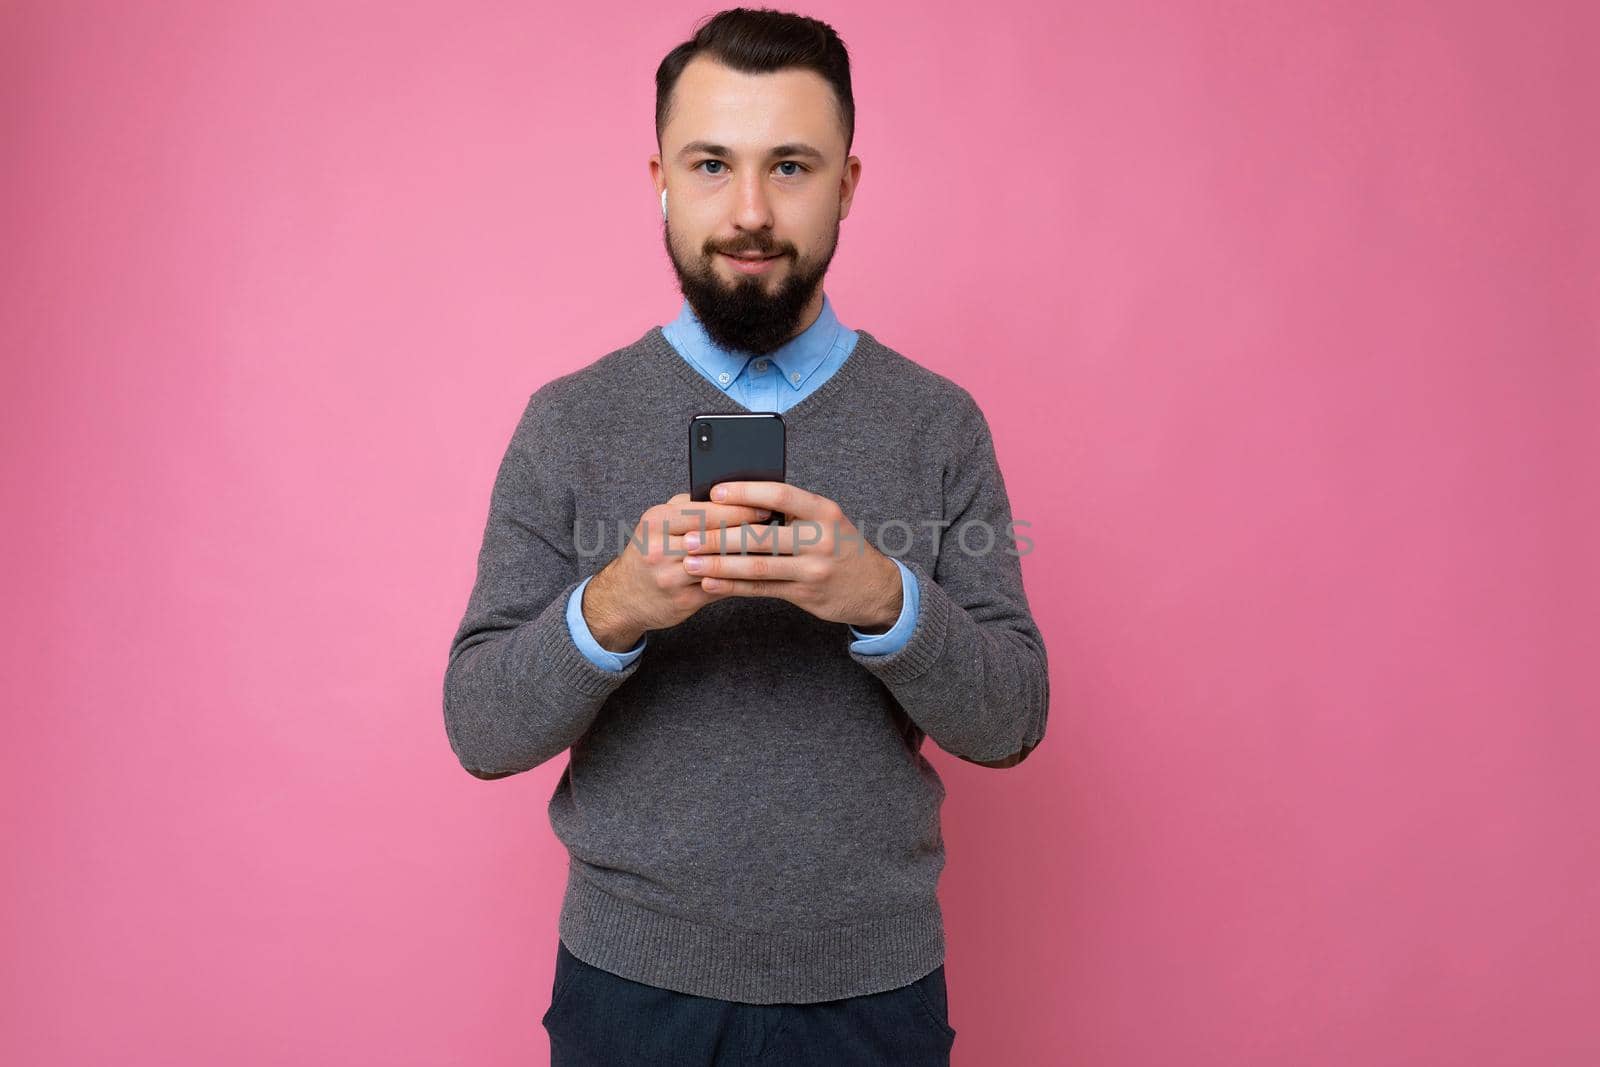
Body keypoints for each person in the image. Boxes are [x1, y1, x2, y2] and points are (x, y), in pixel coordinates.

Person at [443, 8, 1050, 1064]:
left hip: (874, 993)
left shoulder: (936, 422)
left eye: (793, 165)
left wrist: (883, 597)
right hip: (629, 990)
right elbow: (480, 727)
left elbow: (1011, 717)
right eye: (713, 163)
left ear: (847, 185)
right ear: (661, 178)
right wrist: (615, 604)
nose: (752, 210)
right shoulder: (570, 421)